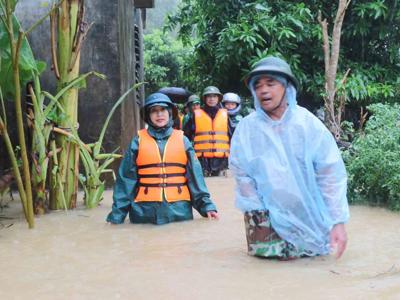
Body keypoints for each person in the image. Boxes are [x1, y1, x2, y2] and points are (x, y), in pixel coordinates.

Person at [229, 56, 349, 260]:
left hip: (306, 211)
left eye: (270, 83)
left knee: (311, 263)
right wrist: (260, 212)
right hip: (261, 216)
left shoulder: (308, 125)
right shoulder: (247, 129)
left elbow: (330, 175)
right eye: (257, 85)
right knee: (267, 272)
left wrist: (337, 221)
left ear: (287, 87)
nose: (263, 90)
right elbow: (241, 174)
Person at [107, 92, 219, 225]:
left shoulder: (183, 141)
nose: (159, 114)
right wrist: (116, 216)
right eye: (154, 111)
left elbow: (195, 179)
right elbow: (126, 181)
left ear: (170, 113)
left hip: (179, 211)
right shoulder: (137, 142)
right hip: (144, 212)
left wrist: (207, 207)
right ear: (148, 116)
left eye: (163, 110)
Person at [183, 86, 232, 176]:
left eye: (214, 96)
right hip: (202, 161)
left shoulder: (225, 114)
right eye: (209, 96)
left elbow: (232, 136)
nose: (211, 99)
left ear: (218, 98)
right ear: (204, 99)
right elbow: (185, 136)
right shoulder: (196, 115)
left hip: (222, 161)